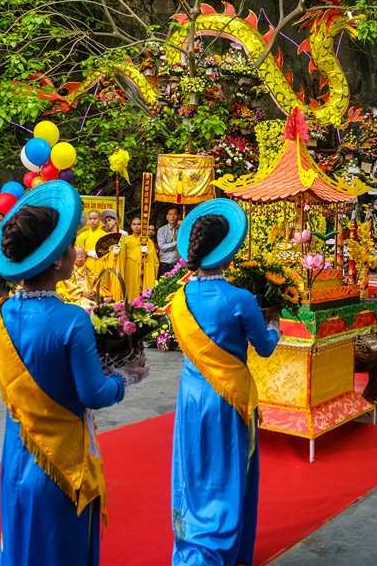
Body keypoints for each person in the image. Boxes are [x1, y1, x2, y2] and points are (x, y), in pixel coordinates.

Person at [0, 181, 147, 566]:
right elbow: (94, 394)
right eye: (71, 245)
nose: (77, 252)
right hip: (62, 463)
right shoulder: (71, 319)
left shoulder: (0, 315)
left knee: (23, 545)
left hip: (19, 453)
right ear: (58, 261)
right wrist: (124, 377)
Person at [168, 198, 280, 565]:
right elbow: (265, 347)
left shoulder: (179, 298)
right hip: (228, 399)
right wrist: (275, 325)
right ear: (228, 252)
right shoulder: (241, 298)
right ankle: (218, 547)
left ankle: (190, 539)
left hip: (191, 395)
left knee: (193, 469)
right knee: (227, 470)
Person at [118, 216, 159, 299]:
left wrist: (147, 253)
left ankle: (140, 304)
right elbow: (121, 256)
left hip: (143, 268)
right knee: (129, 288)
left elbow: (153, 259)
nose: (136, 226)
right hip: (129, 268)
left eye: (139, 224)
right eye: (134, 224)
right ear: (131, 226)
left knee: (141, 289)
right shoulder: (126, 240)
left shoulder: (147, 241)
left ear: (142, 226)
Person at [157, 207, 181, 277]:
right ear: (167, 217)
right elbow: (162, 247)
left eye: (175, 214)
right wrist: (176, 242)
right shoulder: (161, 230)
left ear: (179, 216)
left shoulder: (182, 229)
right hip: (165, 264)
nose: (172, 217)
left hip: (179, 264)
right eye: (170, 214)